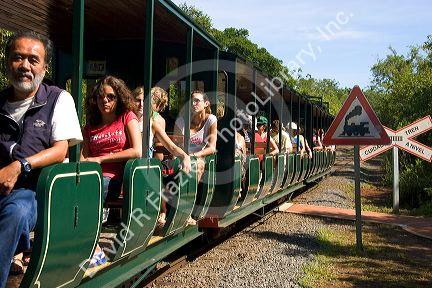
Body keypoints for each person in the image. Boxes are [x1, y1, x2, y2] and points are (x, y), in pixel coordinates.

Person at [0, 31, 82, 286]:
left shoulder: (58, 98)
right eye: (18, 58)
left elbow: (60, 150)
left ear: (44, 67)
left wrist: (20, 165)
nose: (25, 65)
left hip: (35, 191)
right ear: (6, 63)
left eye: (33, 60)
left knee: (15, 212)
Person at [80, 75, 142, 267]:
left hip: (116, 178)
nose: (104, 101)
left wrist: (100, 159)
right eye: (100, 97)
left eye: (110, 96)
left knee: (91, 191)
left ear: (119, 98)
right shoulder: (90, 128)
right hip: (92, 176)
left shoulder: (127, 118)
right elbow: (83, 157)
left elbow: (137, 151)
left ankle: (95, 250)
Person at [133, 86, 191, 227]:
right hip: (130, 164)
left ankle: (164, 211)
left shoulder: (154, 122)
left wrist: (185, 156)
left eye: (145, 102)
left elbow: (169, 145)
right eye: (137, 100)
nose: (141, 105)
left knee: (158, 173)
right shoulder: (127, 119)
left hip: (147, 163)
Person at [175, 90, 217, 182]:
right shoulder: (181, 121)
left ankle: (193, 195)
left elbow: (212, 148)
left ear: (206, 103)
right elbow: (176, 145)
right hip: (181, 157)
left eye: (197, 101)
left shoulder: (211, 120)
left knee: (198, 164)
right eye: (191, 101)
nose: (193, 103)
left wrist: (193, 156)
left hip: (199, 157)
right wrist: (183, 157)